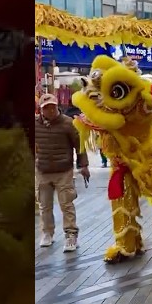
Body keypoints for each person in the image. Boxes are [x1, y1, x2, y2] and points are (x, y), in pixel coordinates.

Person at [36, 93, 88, 251]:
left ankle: (71, 235)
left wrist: (83, 166)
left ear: (57, 106)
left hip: (64, 171)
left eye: (52, 107)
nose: (50, 110)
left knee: (66, 204)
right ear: (41, 110)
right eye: (46, 108)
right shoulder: (35, 124)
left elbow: (79, 145)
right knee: (44, 206)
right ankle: (47, 233)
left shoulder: (68, 123)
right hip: (43, 170)